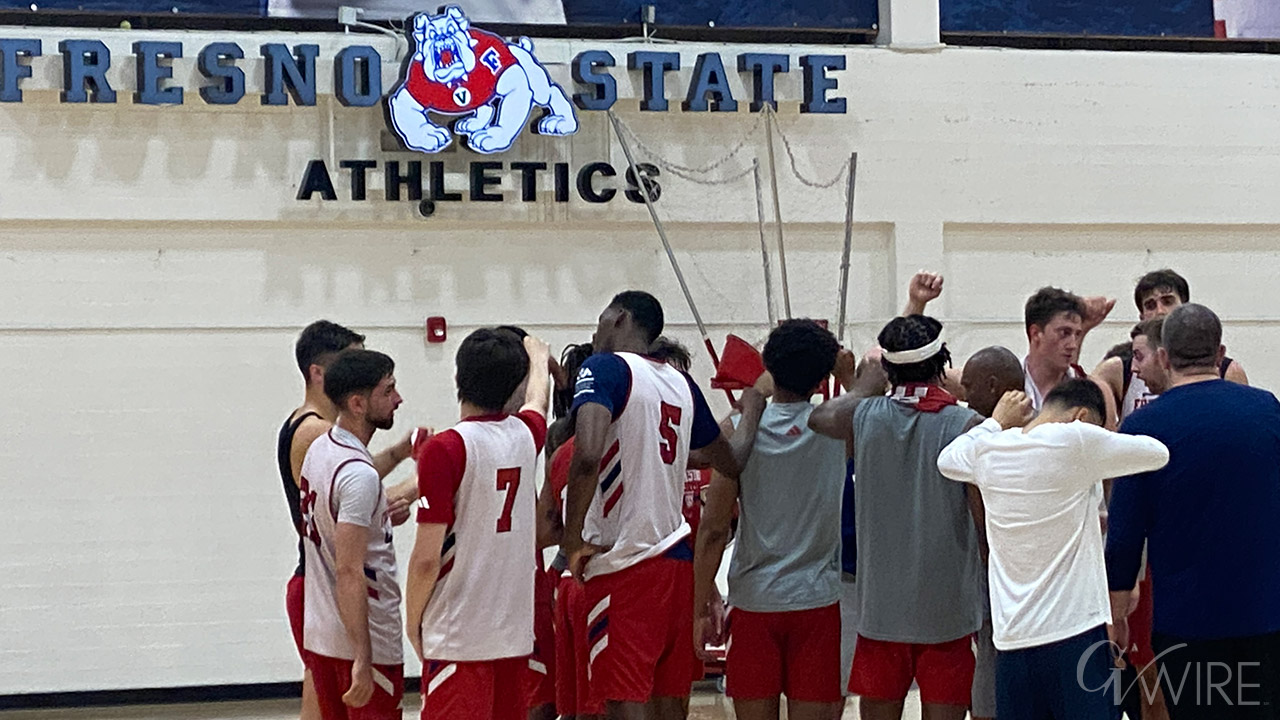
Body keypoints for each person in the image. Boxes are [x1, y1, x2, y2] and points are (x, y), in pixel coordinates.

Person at [561, 290, 766, 720]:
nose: (596, 328)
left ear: (618, 317)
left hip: (625, 565)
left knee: (622, 700)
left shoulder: (604, 367)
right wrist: (751, 409)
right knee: (669, 702)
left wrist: (573, 538)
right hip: (677, 565)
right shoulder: (680, 383)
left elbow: (586, 454)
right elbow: (730, 460)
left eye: (601, 317)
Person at [938, 379, 1169, 720]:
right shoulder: (1076, 438)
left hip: (1012, 642)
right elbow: (1157, 453)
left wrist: (996, 421)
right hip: (1075, 637)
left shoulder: (989, 448)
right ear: (1081, 416)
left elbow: (947, 459)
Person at [1107, 304, 1280, 720]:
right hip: (1266, 614)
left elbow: (1124, 538)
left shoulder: (1142, 429)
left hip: (1186, 622)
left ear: (1164, 356)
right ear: (1220, 354)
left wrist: (1116, 616)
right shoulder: (1269, 411)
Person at [809, 314, 983, 720]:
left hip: (881, 612)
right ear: (943, 360)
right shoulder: (967, 425)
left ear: (886, 367)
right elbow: (982, 523)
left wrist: (864, 385)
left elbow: (818, 418)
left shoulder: (861, 417)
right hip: (948, 613)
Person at [692, 319, 853, 720]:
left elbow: (713, 530)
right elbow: (868, 399)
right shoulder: (838, 427)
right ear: (822, 378)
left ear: (767, 365)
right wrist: (845, 373)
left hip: (754, 602)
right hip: (815, 601)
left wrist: (697, 609)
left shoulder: (741, 432)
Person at [406, 328, 551, 720]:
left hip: (458, 637)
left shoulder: (444, 448)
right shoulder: (526, 434)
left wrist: (412, 620)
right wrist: (539, 359)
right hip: (512, 636)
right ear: (512, 385)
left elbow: (425, 559)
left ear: (459, 376)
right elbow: (538, 399)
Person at [277, 321, 416, 720]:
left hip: (325, 620)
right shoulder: (330, 450)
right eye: (388, 390)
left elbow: (347, 506)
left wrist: (399, 459)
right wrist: (363, 654)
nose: (398, 398)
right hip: (354, 619)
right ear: (357, 401)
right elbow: (350, 566)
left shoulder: (324, 447)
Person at [957, 345, 1026, 720]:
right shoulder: (1042, 426)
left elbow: (979, 511)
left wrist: (988, 563)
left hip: (997, 570)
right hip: (1024, 573)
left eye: (969, 385)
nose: (964, 394)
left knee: (990, 656)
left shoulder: (980, 434)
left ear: (993, 385)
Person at [541, 342, 603, 720]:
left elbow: (547, 525)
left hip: (562, 574)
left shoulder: (558, 437)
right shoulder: (579, 443)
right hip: (594, 572)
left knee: (571, 699)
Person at [1094, 268, 1248, 419]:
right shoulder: (1119, 368)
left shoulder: (1228, 370)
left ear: (1185, 307)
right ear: (1142, 316)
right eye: (1150, 305)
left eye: (1167, 301)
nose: (1160, 311)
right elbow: (1079, 403)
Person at [1022, 286, 1114, 412]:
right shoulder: (1003, 384)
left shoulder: (1096, 392)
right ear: (1036, 333)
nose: (1073, 345)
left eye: (1077, 334)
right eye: (1064, 333)